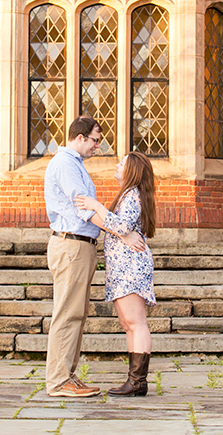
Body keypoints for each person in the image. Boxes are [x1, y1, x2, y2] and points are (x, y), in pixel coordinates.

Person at [75, 151, 157, 397]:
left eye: (121, 163)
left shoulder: (132, 195)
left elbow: (121, 226)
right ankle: (134, 381)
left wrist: (96, 205)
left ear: (132, 170)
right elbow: (119, 227)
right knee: (128, 324)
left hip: (131, 267)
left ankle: (138, 381)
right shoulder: (128, 195)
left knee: (136, 323)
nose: (117, 164)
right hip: (122, 267)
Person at [43, 116, 105, 398]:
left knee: (76, 313)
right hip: (72, 246)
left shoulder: (75, 164)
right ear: (80, 138)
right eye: (95, 140)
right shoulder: (66, 164)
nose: (97, 146)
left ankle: (67, 374)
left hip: (80, 245)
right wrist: (119, 230)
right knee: (68, 314)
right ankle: (58, 381)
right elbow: (82, 204)